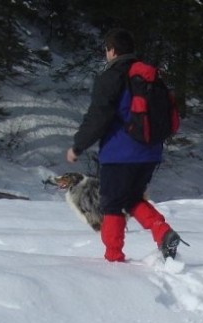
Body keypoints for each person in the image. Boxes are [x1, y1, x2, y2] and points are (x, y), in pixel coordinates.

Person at [67, 28, 182, 262]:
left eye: (107, 50)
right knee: (132, 199)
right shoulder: (147, 76)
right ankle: (162, 231)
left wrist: (78, 146)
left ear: (111, 50)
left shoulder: (113, 76)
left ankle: (113, 258)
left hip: (120, 154)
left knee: (111, 205)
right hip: (150, 152)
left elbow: (99, 115)